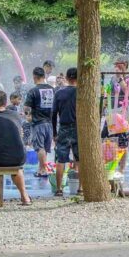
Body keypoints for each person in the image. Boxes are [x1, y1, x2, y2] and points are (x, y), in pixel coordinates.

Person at [51, 67, 78, 197]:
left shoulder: (59, 93)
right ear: (78, 78)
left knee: (61, 160)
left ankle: (59, 189)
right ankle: (81, 189)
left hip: (64, 128)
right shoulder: (82, 92)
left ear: (67, 78)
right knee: (79, 159)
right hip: (79, 129)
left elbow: (53, 114)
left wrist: (54, 133)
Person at [24, 66, 56, 178]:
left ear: (34, 77)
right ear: (44, 76)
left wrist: (28, 115)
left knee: (39, 147)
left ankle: (43, 170)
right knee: (45, 147)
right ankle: (41, 168)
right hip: (50, 123)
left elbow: (26, 108)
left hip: (38, 123)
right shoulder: (52, 89)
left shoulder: (33, 91)